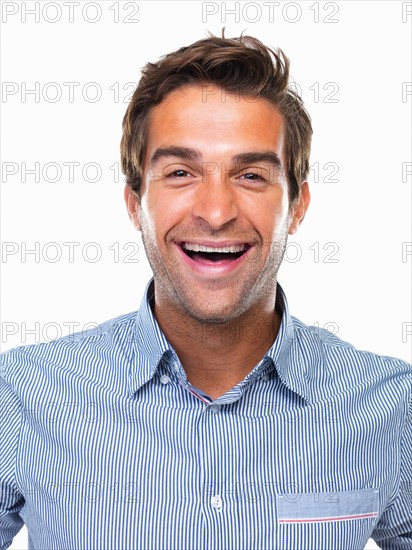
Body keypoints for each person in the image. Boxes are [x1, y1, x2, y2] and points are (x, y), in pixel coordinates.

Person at [0, 34, 411, 550]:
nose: (216, 212)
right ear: (134, 202)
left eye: (251, 175)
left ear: (298, 205)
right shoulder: (21, 394)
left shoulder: (392, 404)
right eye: (180, 172)